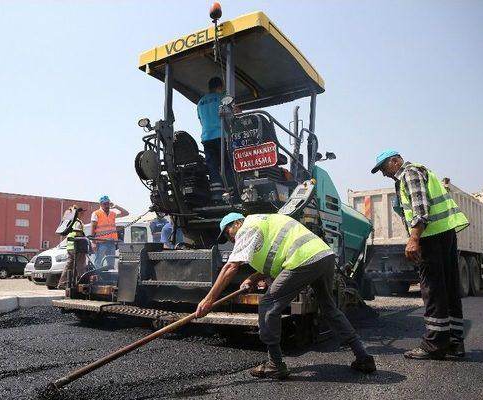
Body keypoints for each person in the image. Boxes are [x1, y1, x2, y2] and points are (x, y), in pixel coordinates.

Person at [195, 212, 376, 379]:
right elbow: (275, 256)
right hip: (324, 256)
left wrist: (208, 300)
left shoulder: (247, 227)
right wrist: (252, 277)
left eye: (228, 232)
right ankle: (363, 357)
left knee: (268, 304)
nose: (231, 238)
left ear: (237, 223)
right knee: (329, 308)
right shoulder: (263, 222)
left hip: (303, 260)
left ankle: (275, 364)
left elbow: (230, 267)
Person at [371, 150, 469, 359]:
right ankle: (454, 343)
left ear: (395, 161)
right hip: (443, 234)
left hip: (430, 237)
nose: (383, 173)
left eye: (384, 168)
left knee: (432, 290)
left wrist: (414, 238)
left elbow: (421, 209)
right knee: (448, 288)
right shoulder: (418, 171)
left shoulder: (409, 173)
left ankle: (434, 345)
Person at [197, 76, 226, 190]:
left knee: (212, 165)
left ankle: (217, 192)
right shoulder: (222, 98)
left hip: (206, 138)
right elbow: (234, 113)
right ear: (220, 87)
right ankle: (232, 192)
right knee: (226, 164)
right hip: (220, 136)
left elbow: (201, 121)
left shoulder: (200, 102)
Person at [90, 195, 128, 268]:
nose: (107, 205)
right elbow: (93, 228)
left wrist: (116, 206)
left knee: (111, 263)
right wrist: (93, 242)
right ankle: (97, 277)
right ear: (100, 204)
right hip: (100, 243)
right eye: (105, 204)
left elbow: (126, 213)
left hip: (111, 242)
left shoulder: (112, 214)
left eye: (108, 203)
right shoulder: (96, 213)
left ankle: (109, 278)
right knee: (98, 262)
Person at [57, 207, 88, 290]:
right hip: (77, 247)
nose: (84, 214)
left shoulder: (71, 222)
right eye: (83, 212)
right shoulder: (78, 222)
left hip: (70, 247)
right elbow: (78, 233)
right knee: (81, 266)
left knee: (69, 266)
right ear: (79, 213)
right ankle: (81, 283)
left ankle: (62, 283)